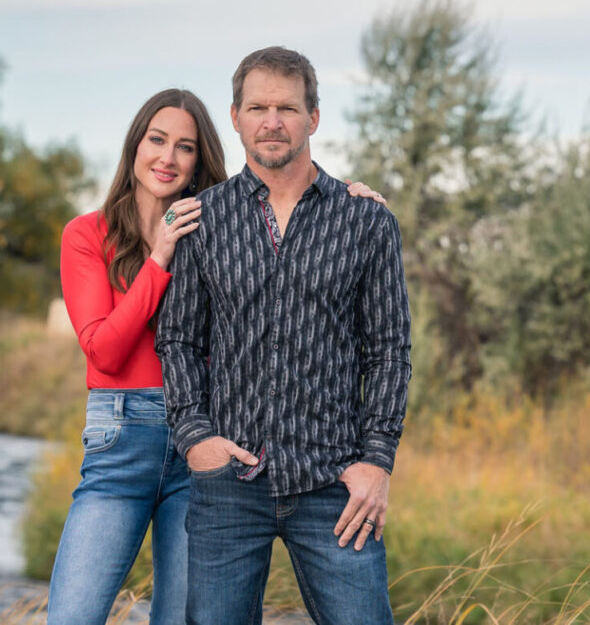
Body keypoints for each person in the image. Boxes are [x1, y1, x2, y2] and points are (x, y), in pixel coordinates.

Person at [51, 88, 385, 625]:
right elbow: (106, 351)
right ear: (134, 145)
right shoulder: (88, 234)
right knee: (73, 616)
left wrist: (348, 199)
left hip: (205, 442)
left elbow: (288, 213)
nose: (167, 158)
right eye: (156, 140)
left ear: (200, 158)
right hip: (122, 441)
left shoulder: (215, 226)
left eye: (185, 147)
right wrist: (160, 255)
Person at [157, 46, 411, 624]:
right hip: (228, 483)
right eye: (258, 107)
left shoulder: (366, 221)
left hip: (334, 484)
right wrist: (196, 436)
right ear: (236, 117)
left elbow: (390, 351)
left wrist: (377, 460)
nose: (272, 121)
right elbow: (178, 341)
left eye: (288, 108)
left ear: (313, 118)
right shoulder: (203, 218)